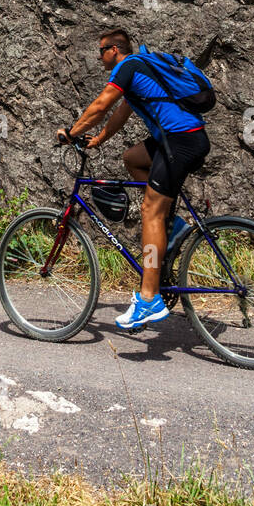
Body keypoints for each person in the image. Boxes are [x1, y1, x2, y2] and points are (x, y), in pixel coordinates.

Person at [57, 28, 211, 333]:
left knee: (149, 212)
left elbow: (102, 106)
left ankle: (149, 299)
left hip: (179, 143)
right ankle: (174, 226)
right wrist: (98, 139)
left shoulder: (126, 67)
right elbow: (122, 112)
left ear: (114, 50)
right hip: (184, 139)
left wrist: (72, 132)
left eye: (101, 51)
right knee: (132, 159)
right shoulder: (140, 69)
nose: (99, 57)